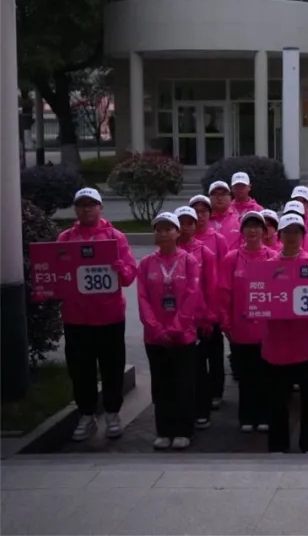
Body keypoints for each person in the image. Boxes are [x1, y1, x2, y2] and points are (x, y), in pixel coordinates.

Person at [56, 188, 138, 442]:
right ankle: (86, 415)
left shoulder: (116, 237)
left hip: (110, 317)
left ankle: (112, 414)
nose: (86, 209)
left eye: (91, 204)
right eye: (81, 205)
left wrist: (121, 269)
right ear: (75, 209)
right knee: (81, 371)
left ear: (101, 208)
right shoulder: (65, 238)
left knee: (112, 368)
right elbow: (55, 274)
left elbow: (129, 275)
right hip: (76, 318)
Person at [138, 212, 203, 450]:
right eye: (159, 229)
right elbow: (143, 299)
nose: (163, 233)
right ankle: (164, 430)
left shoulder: (189, 261)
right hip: (155, 338)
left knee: (184, 384)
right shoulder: (146, 263)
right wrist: (156, 328)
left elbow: (192, 296)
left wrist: (176, 327)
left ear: (177, 233)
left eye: (168, 229)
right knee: (161, 384)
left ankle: (185, 430)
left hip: (183, 335)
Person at [263, 214, 308, 453]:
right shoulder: (268, 267)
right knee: (277, 400)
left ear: (303, 236)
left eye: (296, 232)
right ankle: (278, 445)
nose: (291, 237)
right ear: (279, 236)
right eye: (287, 232)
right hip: (277, 344)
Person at [219, 211, 274, 433]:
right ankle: (247, 417)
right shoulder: (231, 258)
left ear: (264, 231)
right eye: (248, 226)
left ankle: (264, 415)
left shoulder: (273, 258)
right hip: (240, 328)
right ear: (242, 231)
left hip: (267, 330)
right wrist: (226, 323)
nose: (252, 230)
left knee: (265, 374)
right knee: (246, 375)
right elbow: (224, 293)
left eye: (257, 226)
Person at [174, 205, 221, 429]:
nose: (185, 227)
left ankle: (202, 410)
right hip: (174, 321)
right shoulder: (168, 252)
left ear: (196, 226)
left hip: (198, 321)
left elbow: (212, 288)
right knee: (179, 370)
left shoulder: (205, 253)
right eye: (181, 223)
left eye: (189, 223)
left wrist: (209, 317)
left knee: (199, 367)